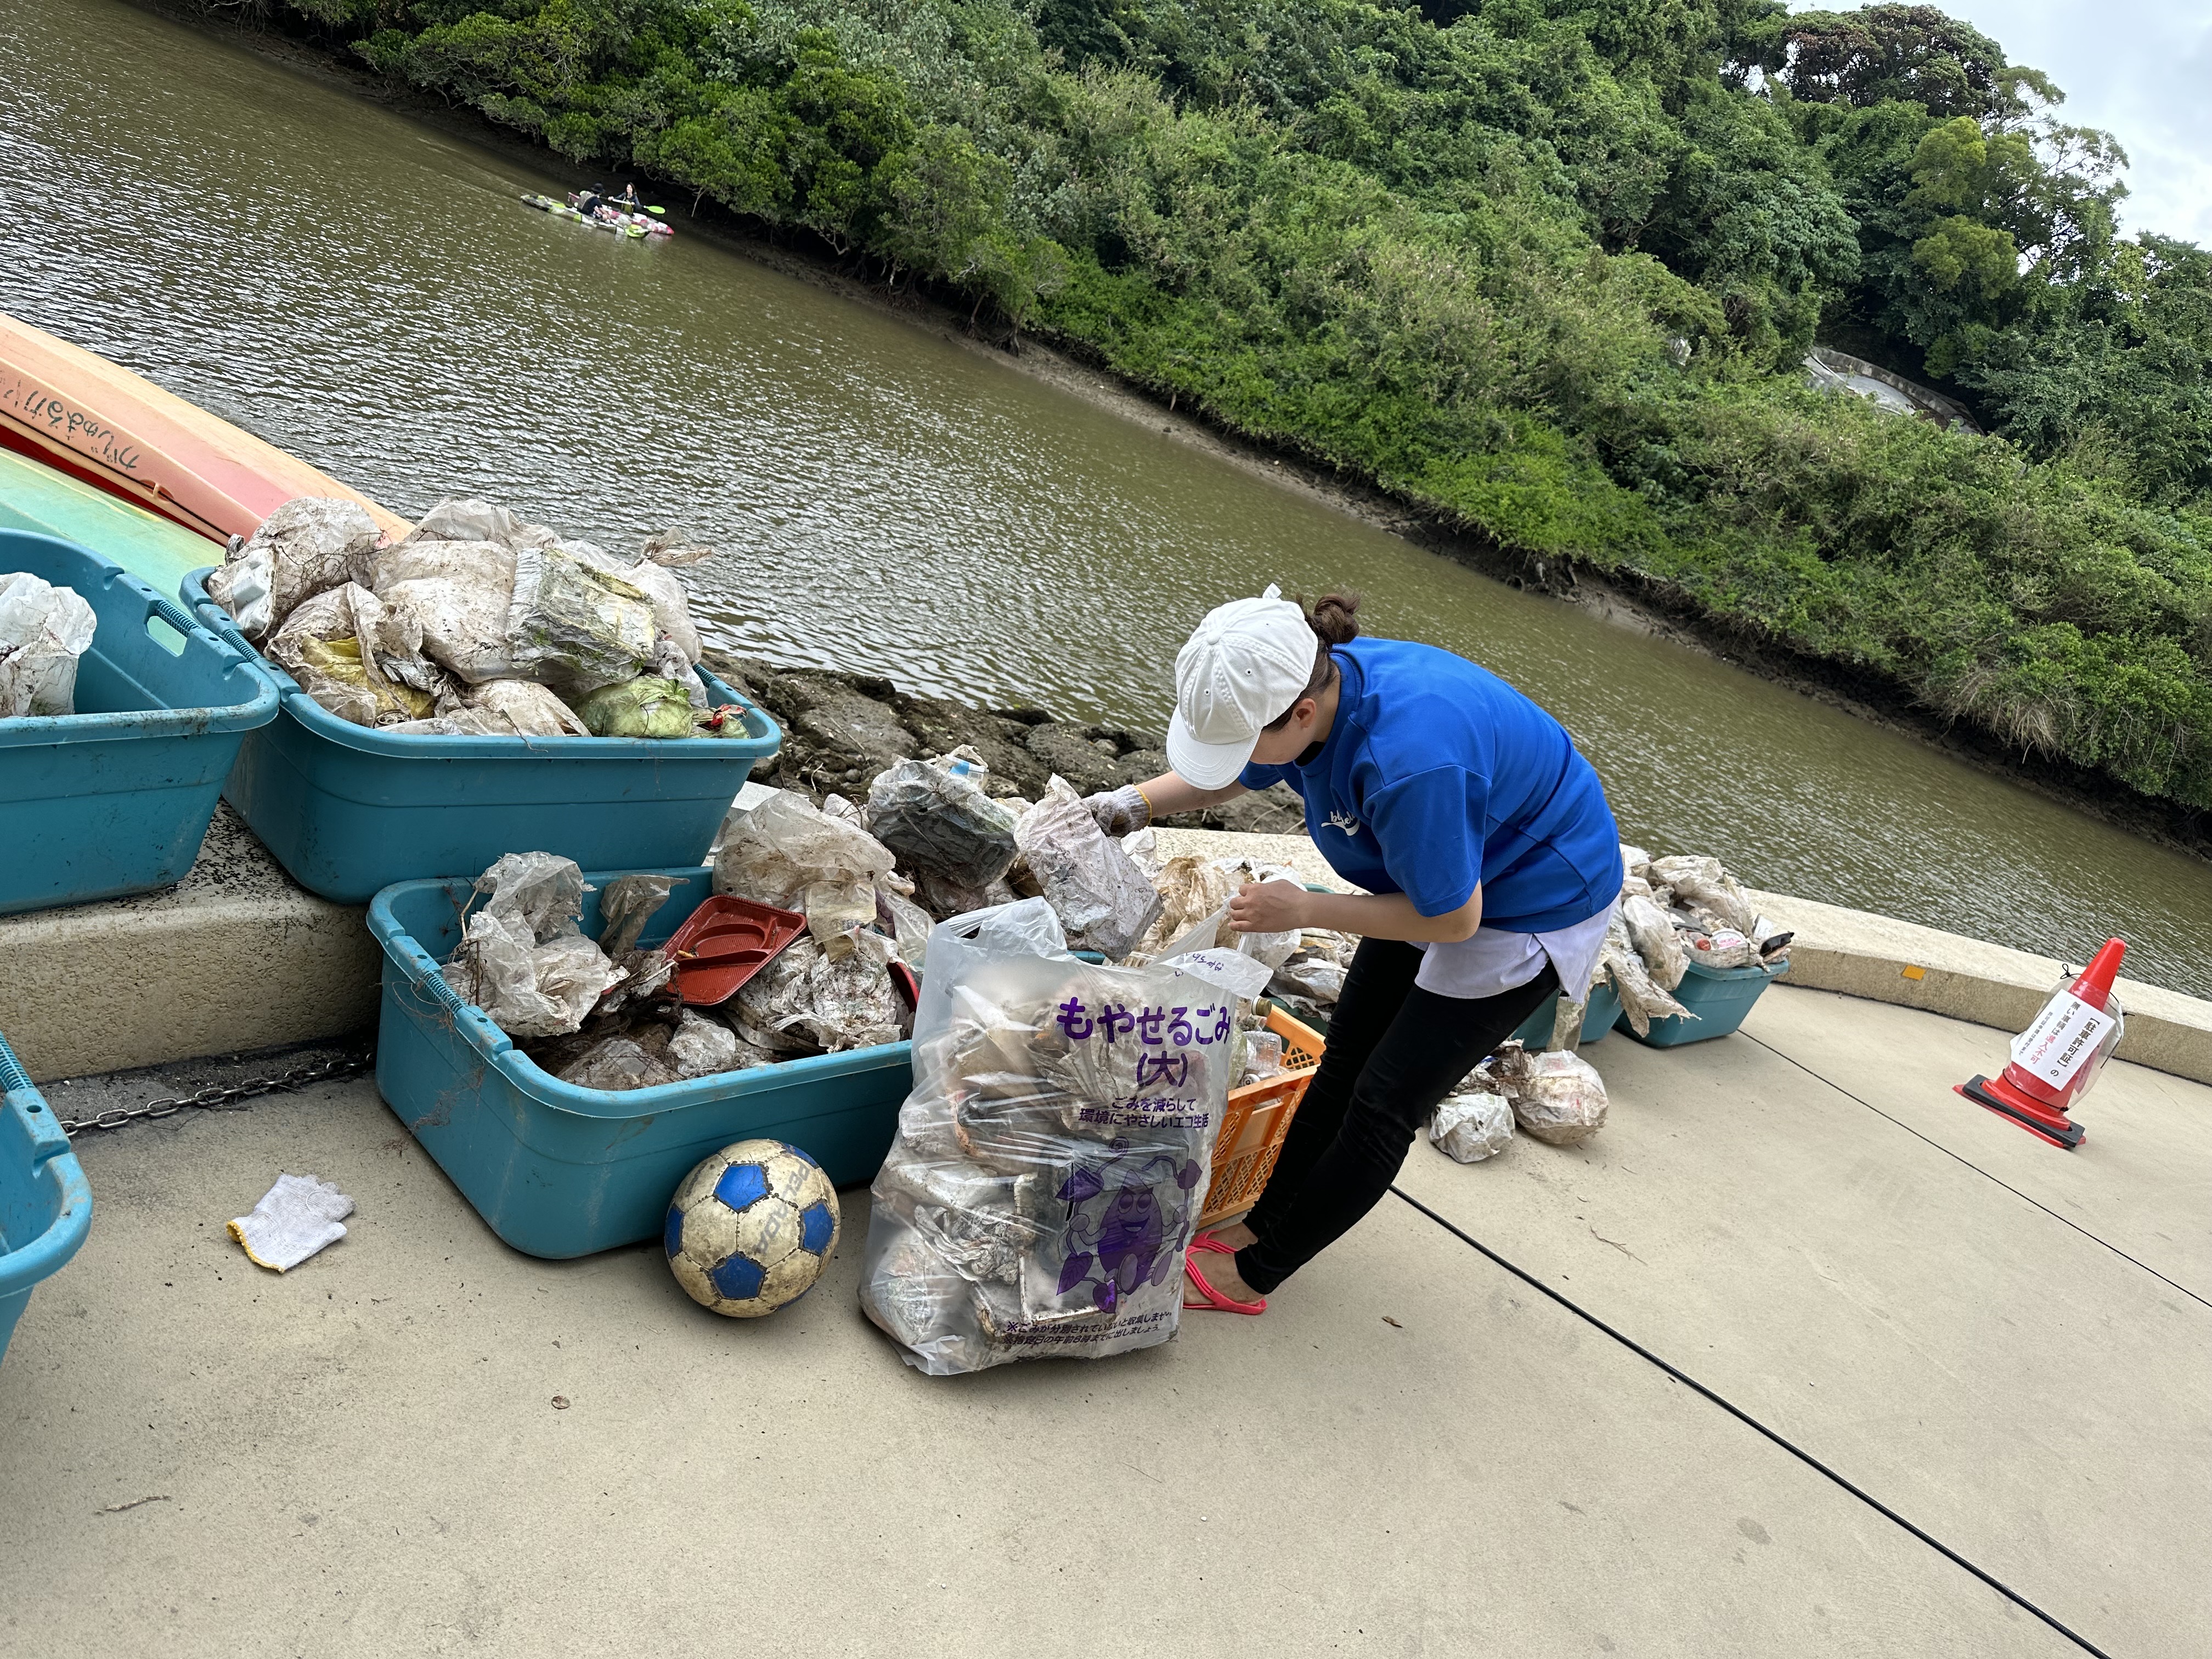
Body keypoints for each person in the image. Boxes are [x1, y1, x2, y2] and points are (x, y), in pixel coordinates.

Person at [1084, 588, 1622, 1315]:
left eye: (1242, 738)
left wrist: (1304, 907)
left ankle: (1259, 1273)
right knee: (1343, 1063)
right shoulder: (1313, 684)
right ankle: (1261, 1224)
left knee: (1384, 1101)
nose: (1238, 758)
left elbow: (1457, 919)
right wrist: (1134, 803)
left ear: (1302, 713)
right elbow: (1250, 767)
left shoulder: (1411, 759)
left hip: (1528, 899)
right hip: (1432, 873)